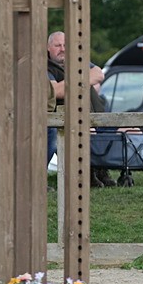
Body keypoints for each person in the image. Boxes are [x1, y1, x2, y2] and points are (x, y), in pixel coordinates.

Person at [46, 31, 114, 186]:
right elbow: (55, 91)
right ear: (48, 47)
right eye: (57, 45)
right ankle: (88, 174)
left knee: (124, 130)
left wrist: (72, 84)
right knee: (77, 134)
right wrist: (83, 81)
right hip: (64, 118)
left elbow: (99, 74)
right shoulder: (43, 65)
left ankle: (99, 171)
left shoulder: (77, 59)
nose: (63, 49)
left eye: (65, 45)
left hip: (95, 115)